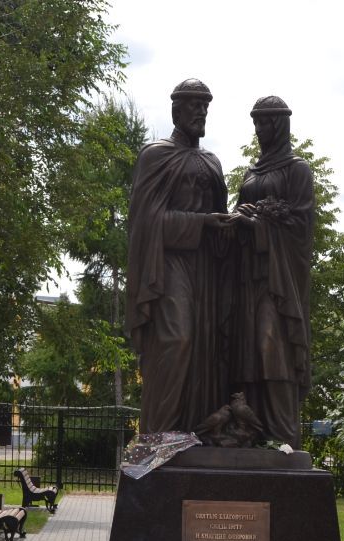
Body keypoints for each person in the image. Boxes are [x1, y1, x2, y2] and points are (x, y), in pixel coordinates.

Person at [126, 79, 232, 434]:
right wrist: (202, 223)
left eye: (205, 106)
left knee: (207, 348)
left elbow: (221, 217)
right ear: (176, 110)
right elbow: (147, 223)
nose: (201, 112)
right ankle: (159, 435)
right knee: (177, 339)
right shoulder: (156, 155)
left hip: (206, 269)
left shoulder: (211, 162)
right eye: (193, 105)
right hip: (168, 265)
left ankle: (194, 433)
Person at [224, 95, 315, 449]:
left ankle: (282, 432)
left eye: (265, 123)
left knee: (270, 344)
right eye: (255, 123)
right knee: (245, 350)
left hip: (278, 279)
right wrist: (238, 220)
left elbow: (302, 226)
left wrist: (258, 225)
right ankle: (249, 428)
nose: (259, 130)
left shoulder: (297, 170)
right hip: (247, 276)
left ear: (279, 125)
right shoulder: (252, 172)